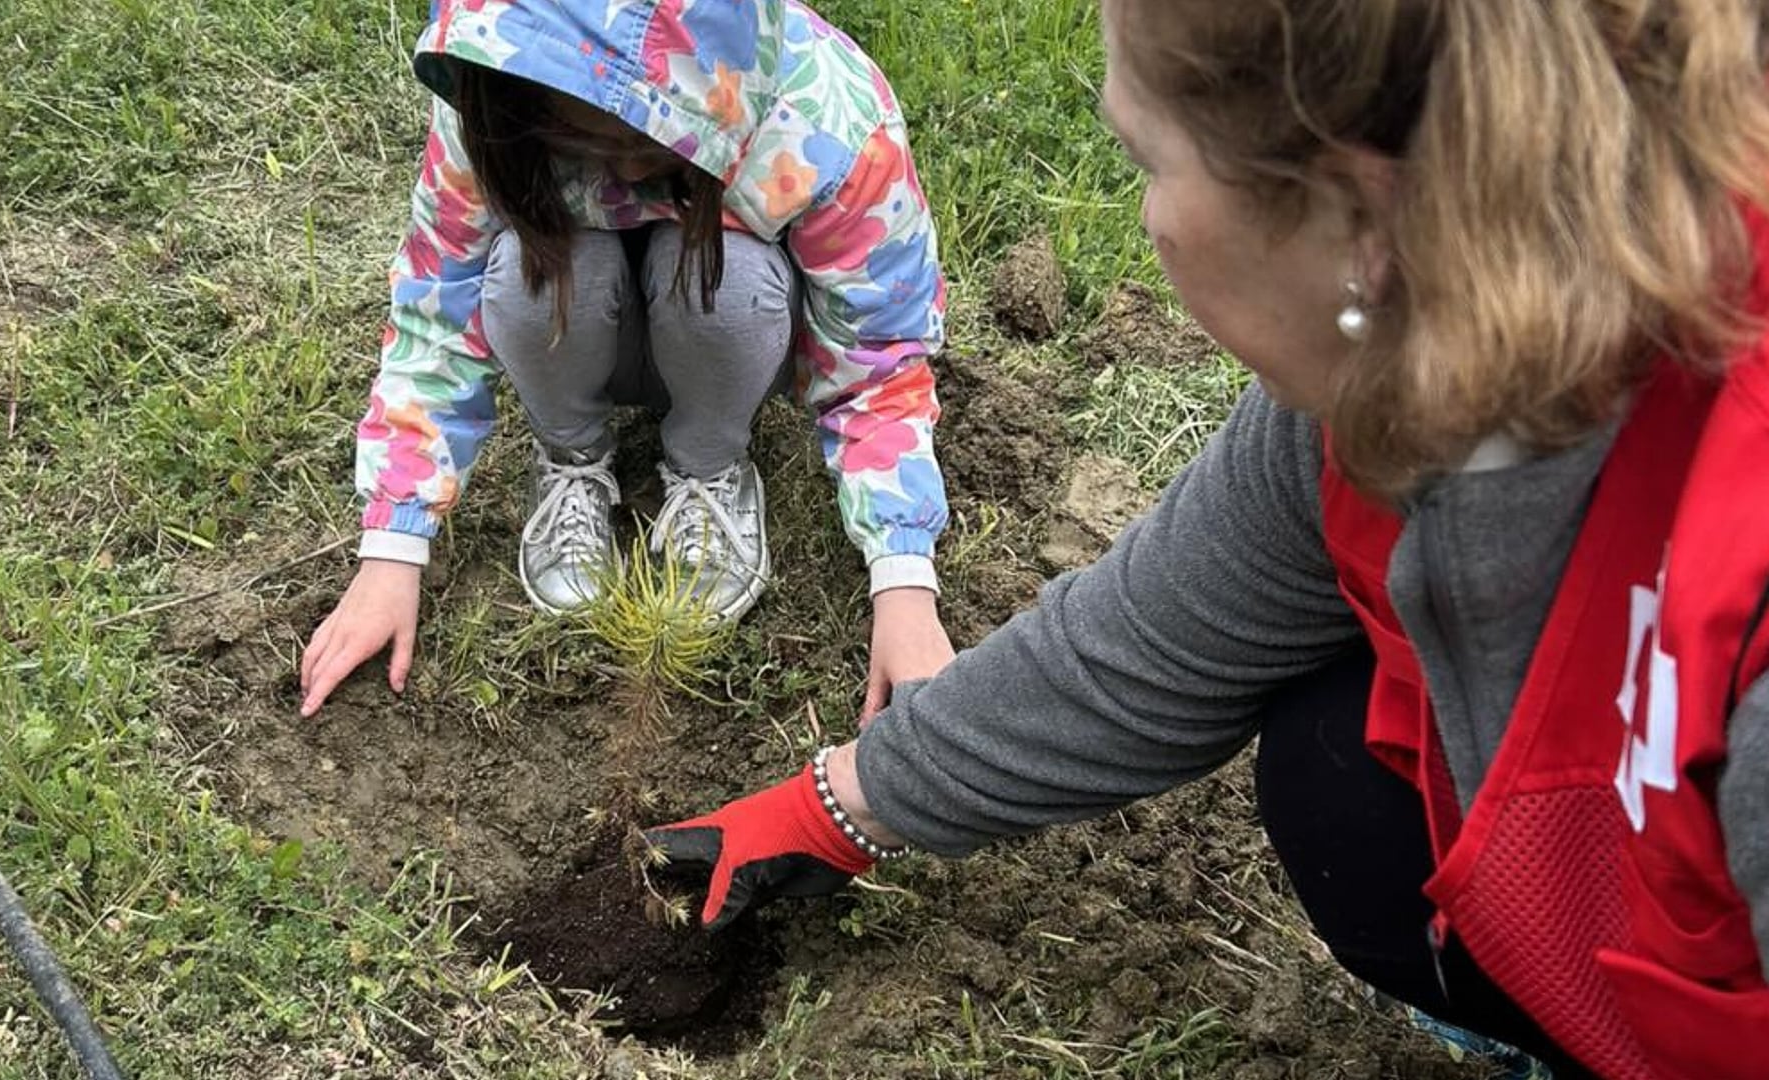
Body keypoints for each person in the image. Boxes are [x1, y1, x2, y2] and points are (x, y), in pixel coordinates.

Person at [649, 2, 1769, 1076]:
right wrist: (830, 810)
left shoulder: (1746, 608)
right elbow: (1154, 645)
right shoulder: (1394, 361)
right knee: (1336, 779)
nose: (1147, 220)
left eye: (1149, 161)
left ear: (1360, 221)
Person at [298, 0, 957, 718]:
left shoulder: (831, 121)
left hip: (728, 335)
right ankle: (572, 456)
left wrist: (904, 580)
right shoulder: (498, 95)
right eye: (587, 139)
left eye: (654, 144)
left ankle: (710, 464)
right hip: (581, 332)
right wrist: (392, 549)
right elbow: (438, 312)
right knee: (527, 270)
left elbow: (878, 356)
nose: (627, 169)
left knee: (723, 280)